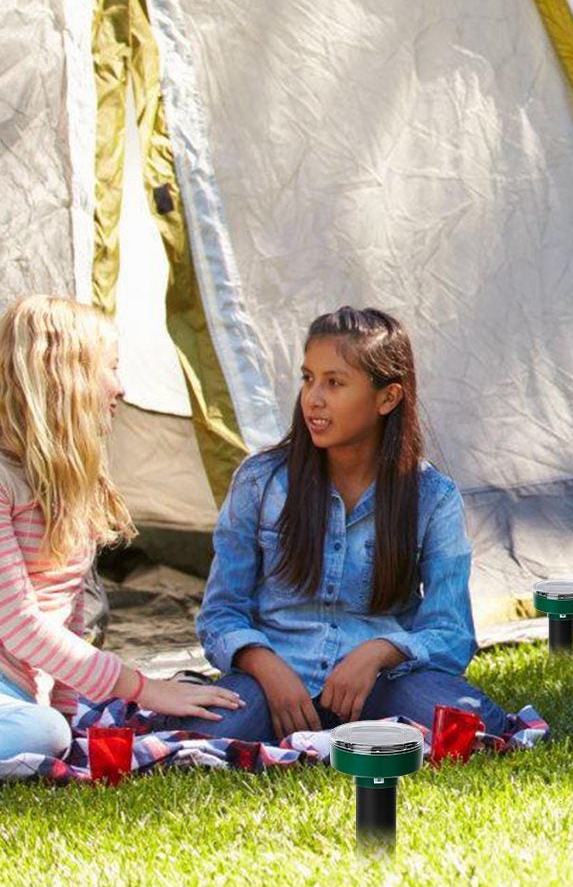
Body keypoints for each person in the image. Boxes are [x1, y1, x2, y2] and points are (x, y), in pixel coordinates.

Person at [180, 307, 507, 742]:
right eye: (308, 378)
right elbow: (221, 612)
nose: (313, 398)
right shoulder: (260, 482)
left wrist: (379, 653)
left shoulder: (432, 496)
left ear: (387, 398)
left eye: (334, 383)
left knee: (472, 726)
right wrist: (267, 667)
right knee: (207, 734)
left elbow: (451, 632)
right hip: (276, 681)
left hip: (382, 686)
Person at [0, 296, 240, 761]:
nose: (121, 387)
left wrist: (67, 717)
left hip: (18, 692)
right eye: (109, 369)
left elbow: (69, 613)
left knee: (49, 732)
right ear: (63, 379)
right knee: (41, 734)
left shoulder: (70, 484)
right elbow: (18, 624)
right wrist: (143, 688)